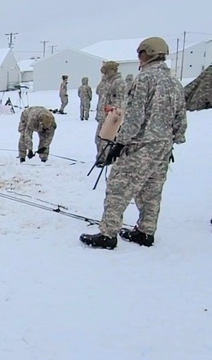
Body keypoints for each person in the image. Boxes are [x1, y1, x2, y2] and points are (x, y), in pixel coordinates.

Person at [80, 37, 187, 249]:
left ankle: (108, 234)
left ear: (148, 53)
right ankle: (146, 232)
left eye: (140, 53)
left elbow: (135, 116)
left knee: (118, 187)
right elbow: (180, 116)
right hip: (163, 146)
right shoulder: (174, 82)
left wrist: (120, 143)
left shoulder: (145, 78)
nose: (139, 57)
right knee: (151, 190)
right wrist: (174, 139)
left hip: (141, 145)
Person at [95, 61, 125, 157]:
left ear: (113, 70)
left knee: (106, 139)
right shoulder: (106, 81)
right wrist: (103, 80)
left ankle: (105, 157)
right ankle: (100, 155)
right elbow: (98, 91)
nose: (105, 74)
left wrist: (114, 108)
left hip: (111, 116)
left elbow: (121, 99)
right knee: (98, 138)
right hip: (103, 116)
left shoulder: (119, 82)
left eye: (106, 72)